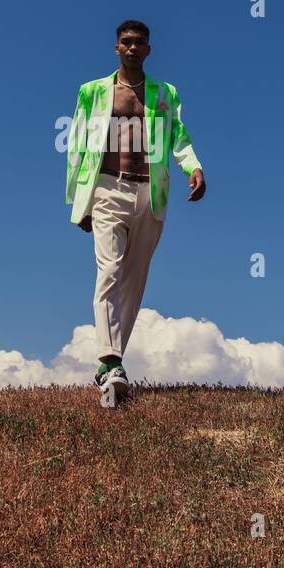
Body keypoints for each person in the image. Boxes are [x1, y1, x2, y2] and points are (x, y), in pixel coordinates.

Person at [65, 20, 206, 396]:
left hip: (150, 192)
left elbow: (178, 135)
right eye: (125, 42)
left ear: (148, 50)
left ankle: (110, 368)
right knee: (109, 270)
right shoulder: (92, 92)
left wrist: (192, 166)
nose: (131, 48)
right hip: (107, 188)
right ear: (116, 48)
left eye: (138, 43)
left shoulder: (165, 93)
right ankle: (111, 360)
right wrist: (80, 203)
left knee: (134, 279)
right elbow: (77, 145)